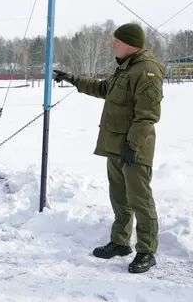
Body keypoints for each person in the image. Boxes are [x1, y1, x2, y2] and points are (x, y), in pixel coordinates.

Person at [53, 23, 163, 274]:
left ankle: (147, 251)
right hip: (116, 145)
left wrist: (133, 146)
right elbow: (104, 89)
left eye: (117, 41)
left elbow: (147, 115)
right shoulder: (126, 67)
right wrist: (73, 79)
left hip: (134, 149)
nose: (113, 44)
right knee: (119, 198)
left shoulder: (147, 71)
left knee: (140, 200)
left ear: (131, 43)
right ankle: (121, 242)